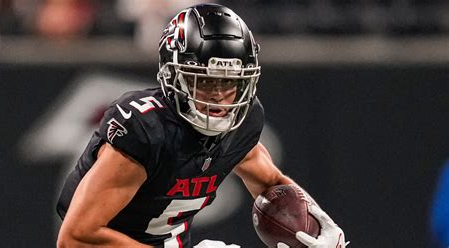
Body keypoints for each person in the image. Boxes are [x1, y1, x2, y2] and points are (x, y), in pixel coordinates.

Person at [56, 3, 347, 248]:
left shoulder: (240, 125)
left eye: (230, 83)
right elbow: (75, 237)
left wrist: (319, 223)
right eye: (205, 81)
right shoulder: (148, 131)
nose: (219, 95)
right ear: (174, 78)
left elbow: (271, 182)